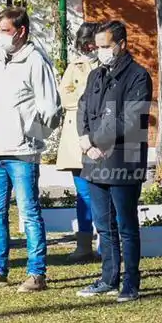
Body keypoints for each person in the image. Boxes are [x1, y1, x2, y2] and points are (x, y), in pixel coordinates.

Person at [0, 7, 62, 292]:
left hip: (22, 152)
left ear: (21, 31)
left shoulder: (35, 61)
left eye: (5, 31)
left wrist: (33, 136)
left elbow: (51, 108)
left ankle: (36, 273)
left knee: (29, 213)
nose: (0, 36)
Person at [75, 20, 153, 302]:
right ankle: (108, 278)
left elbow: (130, 119)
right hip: (94, 160)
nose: (100, 51)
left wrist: (95, 140)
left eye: (105, 46)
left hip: (123, 159)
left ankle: (131, 282)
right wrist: (85, 139)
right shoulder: (96, 75)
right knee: (104, 225)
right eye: (97, 46)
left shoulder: (138, 76)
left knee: (126, 226)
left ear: (121, 44)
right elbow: (83, 107)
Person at [56, 22, 101, 262]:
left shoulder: (108, 65)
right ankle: (83, 245)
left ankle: (106, 244)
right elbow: (65, 97)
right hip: (76, 137)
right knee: (83, 193)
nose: (88, 48)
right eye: (84, 43)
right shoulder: (74, 66)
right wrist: (88, 98)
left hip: (102, 136)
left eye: (91, 43)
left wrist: (84, 97)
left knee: (104, 193)